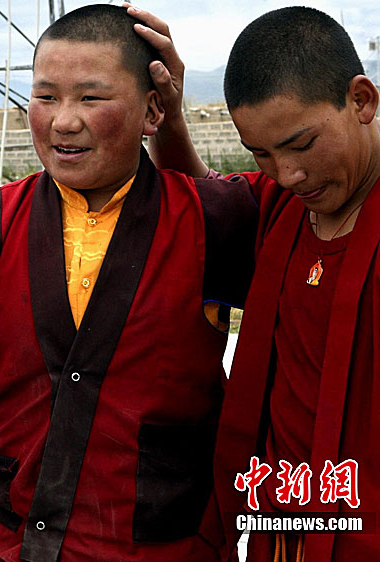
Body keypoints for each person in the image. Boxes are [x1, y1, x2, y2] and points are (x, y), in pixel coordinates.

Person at [0, 5, 258, 561]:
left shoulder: (212, 218)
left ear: (152, 109)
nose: (64, 121)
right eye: (45, 96)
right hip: (15, 543)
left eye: (91, 98)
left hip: (166, 542)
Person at [130, 5, 380, 561]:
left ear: (361, 100)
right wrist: (169, 116)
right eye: (261, 154)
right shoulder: (280, 211)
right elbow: (201, 208)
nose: (287, 174)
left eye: (302, 145)